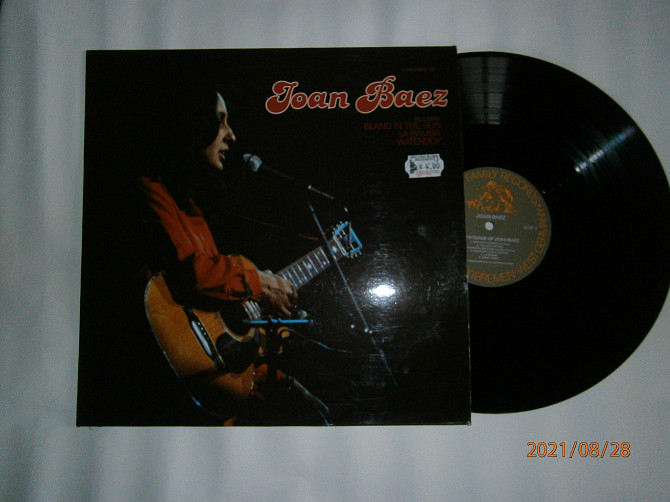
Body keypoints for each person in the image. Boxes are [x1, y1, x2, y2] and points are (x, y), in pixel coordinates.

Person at [137, 90, 299, 424]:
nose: (231, 135)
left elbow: (216, 309)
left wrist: (274, 373)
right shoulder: (150, 190)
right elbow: (197, 275)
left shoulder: (191, 206)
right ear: (194, 127)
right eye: (221, 121)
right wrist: (260, 282)